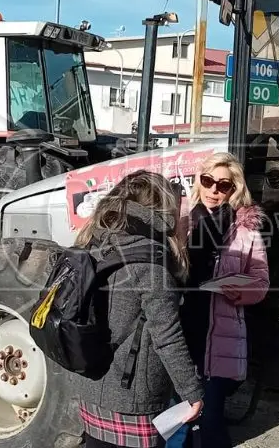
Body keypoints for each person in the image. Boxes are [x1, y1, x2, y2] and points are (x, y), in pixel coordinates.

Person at [70, 170, 206, 448]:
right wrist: (192, 391)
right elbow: (167, 337)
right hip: (133, 399)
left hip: (89, 388)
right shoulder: (151, 262)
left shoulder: (92, 242)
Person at [179, 152, 270, 448]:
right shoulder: (181, 220)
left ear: (235, 189)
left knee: (211, 418)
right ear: (199, 181)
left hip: (220, 336)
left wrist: (239, 291)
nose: (214, 190)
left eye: (223, 185)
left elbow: (261, 281)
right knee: (178, 418)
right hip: (181, 332)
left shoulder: (246, 229)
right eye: (208, 181)